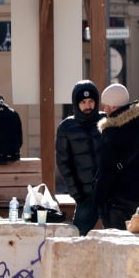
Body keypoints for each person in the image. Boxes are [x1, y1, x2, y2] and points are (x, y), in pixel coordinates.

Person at [93, 84, 139, 230]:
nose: (104, 110)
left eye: (106, 106)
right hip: (136, 197)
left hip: (115, 200)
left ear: (114, 107)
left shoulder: (112, 133)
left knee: (115, 247)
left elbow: (107, 171)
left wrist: (98, 198)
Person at [55, 80, 104, 235]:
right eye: (83, 102)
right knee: (78, 236)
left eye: (91, 101)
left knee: (120, 236)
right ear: (76, 104)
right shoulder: (66, 127)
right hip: (86, 196)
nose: (88, 106)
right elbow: (64, 164)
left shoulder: (106, 121)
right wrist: (77, 194)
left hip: (109, 193)